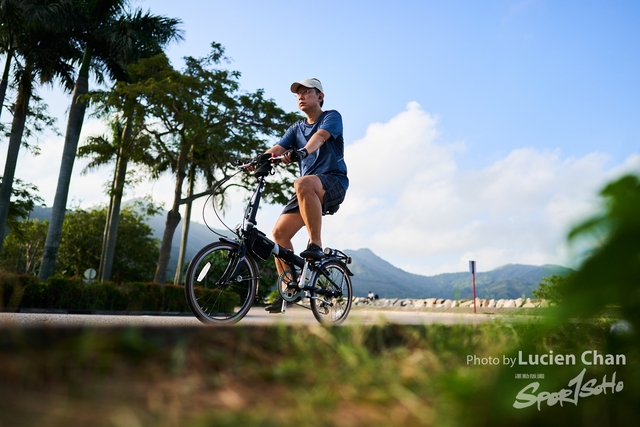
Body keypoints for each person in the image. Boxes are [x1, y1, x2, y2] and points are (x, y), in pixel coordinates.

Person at [264, 78, 348, 313]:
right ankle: (289, 289)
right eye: (298, 94)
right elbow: (277, 149)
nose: (301, 96)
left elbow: (319, 138)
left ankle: (316, 244)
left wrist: (302, 152)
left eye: (307, 92)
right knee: (279, 233)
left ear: (320, 96)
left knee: (301, 182)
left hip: (333, 181)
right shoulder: (296, 128)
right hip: (307, 189)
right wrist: (257, 160)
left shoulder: (331, 117)